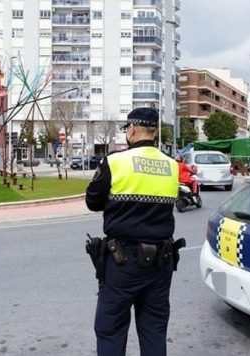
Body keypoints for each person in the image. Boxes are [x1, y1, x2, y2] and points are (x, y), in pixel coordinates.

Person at [86, 108, 180, 356]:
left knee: (111, 330)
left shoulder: (115, 162)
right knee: (154, 331)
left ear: (133, 129)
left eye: (127, 129)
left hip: (122, 262)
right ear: (155, 131)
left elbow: (92, 202)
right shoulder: (172, 166)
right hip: (161, 262)